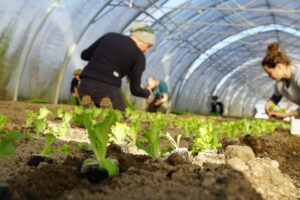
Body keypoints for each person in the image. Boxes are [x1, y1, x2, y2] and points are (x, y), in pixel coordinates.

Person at [78, 23, 155, 110]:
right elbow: (135, 90)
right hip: (108, 89)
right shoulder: (138, 56)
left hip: (85, 84)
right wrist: (147, 93)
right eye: (148, 46)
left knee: (90, 115)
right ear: (142, 39)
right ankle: (107, 108)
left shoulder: (109, 36)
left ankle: (89, 104)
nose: (147, 50)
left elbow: (84, 55)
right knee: (121, 117)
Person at [262, 43, 300, 119]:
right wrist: (268, 105)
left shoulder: (298, 74)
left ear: (279, 66)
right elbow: (275, 97)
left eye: (270, 73)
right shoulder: (280, 82)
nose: (269, 76)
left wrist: (286, 115)